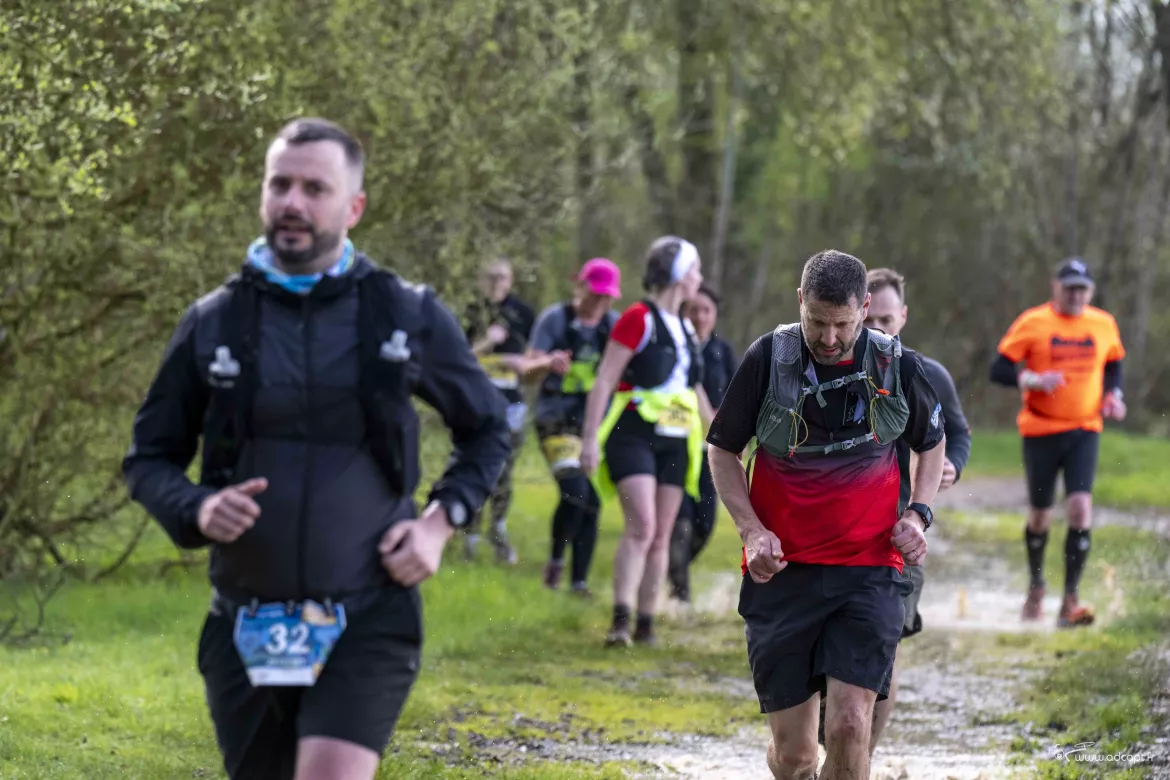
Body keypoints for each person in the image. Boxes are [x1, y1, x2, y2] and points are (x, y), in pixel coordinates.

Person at [121, 117, 510, 780]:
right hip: (246, 620)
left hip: (368, 613)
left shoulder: (404, 313)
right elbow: (147, 458)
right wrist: (196, 508)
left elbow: (489, 428)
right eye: (280, 185)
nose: (292, 202)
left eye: (314, 188)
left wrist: (439, 523)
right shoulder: (214, 320)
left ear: (353, 207)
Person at [706, 249, 946, 780]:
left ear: (865, 307)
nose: (830, 338)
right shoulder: (768, 359)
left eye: (843, 323)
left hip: (869, 570)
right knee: (795, 758)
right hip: (782, 573)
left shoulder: (897, 365)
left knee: (850, 726)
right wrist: (751, 531)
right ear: (800, 301)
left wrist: (917, 514)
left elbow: (932, 443)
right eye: (817, 321)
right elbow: (722, 450)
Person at [581, 236, 715, 647]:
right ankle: (620, 621)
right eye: (695, 269)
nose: (700, 278)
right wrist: (589, 440)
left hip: (676, 440)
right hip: (633, 433)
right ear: (679, 274)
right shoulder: (637, 319)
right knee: (642, 524)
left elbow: (694, 389)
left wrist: (719, 436)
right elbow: (604, 379)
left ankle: (645, 623)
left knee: (662, 534)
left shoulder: (687, 329)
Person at [862, 267, 972, 755]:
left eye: (888, 321)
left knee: (885, 651)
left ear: (903, 317)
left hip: (902, 533)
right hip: (835, 531)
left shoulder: (925, 373)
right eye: (871, 320)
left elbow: (958, 433)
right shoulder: (827, 368)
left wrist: (953, 466)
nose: (879, 330)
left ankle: (860, 760)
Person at [990, 257, 1126, 628]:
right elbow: (999, 368)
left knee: (1081, 508)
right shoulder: (1033, 322)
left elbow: (1114, 364)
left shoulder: (1103, 323)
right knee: (1041, 515)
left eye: (1082, 289)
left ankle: (1070, 600)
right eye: (1069, 288)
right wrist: (1031, 379)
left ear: (1091, 291)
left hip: (1085, 429)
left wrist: (1113, 395)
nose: (1076, 295)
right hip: (1040, 431)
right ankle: (1036, 587)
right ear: (1056, 288)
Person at [525, 258, 622, 597]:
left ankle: (578, 583)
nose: (601, 301)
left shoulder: (613, 325)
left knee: (591, 500)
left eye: (607, 296)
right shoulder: (554, 319)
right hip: (555, 420)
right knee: (576, 491)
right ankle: (555, 562)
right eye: (596, 293)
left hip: (594, 425)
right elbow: (525, 370)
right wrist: (546, 362)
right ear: (580, 287)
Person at [463, 257, 537, 565]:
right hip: (476, 401)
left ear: (511, 280)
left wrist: (523, 364)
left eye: (502, 277)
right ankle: (470, 533)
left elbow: (535, 358)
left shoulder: (523, 313)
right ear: (482, 279)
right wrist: (486, 343)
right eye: (491, 276)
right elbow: (458, 358)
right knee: (475, 462)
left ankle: (498, 528)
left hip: (512, 402)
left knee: (504, 467)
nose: (496, 282)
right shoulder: (470, 311)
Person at [668, 283, 738, 603]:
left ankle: (669, 572)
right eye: (693, 309)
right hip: (676, 447)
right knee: (680, 524)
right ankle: (679, 595)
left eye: (706, 310)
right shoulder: (674, 347)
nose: (699, 316)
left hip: (711, 452)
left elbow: (738, 399)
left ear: (715, 315)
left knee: (704, 524)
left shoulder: (723, 352)